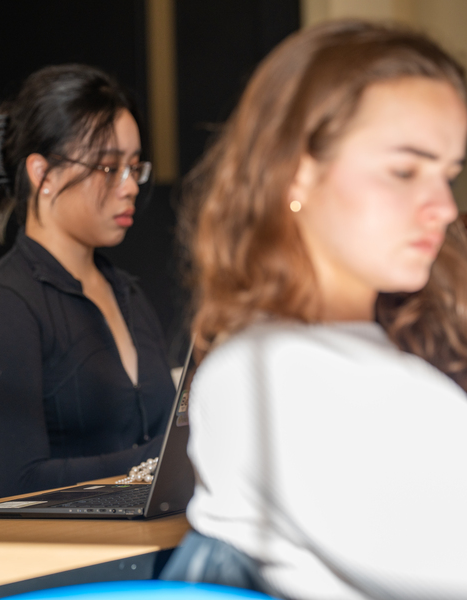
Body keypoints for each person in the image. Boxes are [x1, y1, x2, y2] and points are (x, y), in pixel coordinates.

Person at [161, 20, 467, 599]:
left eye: (449, 174)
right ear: (298, 169)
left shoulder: (382, 352)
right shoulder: (265, 373)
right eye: (404, 171)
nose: (444, 207)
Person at [0, 64, 176, 504]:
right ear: (41, 173)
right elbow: (23, 482)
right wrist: (158, 462)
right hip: (40, 557)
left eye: (134, 167)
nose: (129, 187)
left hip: (132, 543)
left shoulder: (127, 292)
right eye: (108, 168)